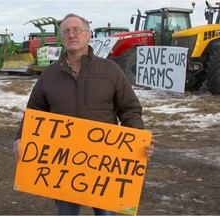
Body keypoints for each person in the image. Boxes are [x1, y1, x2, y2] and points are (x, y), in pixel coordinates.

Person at [13, 13, 156, 215]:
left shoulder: (111, 71)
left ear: (88, 35)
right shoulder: (49, 75)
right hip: (61, 164)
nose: (71, 35)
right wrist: (21, 137)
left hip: (103, 166)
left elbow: (130, 109)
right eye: (66, 32)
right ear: (62, 38)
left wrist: (137, 139)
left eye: (76, 30)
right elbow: (34, 111)